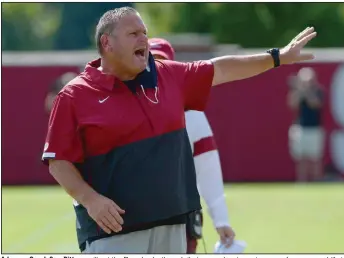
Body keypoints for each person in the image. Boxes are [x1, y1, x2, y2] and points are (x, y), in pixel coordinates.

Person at [41, 6, 317, 254]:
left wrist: (277, 57)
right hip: (113, 234)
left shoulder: (168, 75)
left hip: (173, 228)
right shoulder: (74, 95)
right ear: (107, 43)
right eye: (133, 33)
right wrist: (91, 200)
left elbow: (221, 69)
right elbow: (58, 161)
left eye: (144, 32)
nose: (143, 39)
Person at [149, 38, 235, 253]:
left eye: (162, 63)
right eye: (152, 62)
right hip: (138, 219)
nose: (156, 69)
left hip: (181, 216)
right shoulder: (125, 106)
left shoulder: (192, 113)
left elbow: (208, 168)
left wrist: (221, 219)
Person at [287, 67, 324, 182]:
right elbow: (292, 104)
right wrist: (298, 89)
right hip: (300, 128)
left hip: (315, 128)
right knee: (301, 158)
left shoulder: (318, 91)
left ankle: (317, 181)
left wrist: (306, 90)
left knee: (315, 158)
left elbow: (315, 104)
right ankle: (302, 182)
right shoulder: (299, 92)